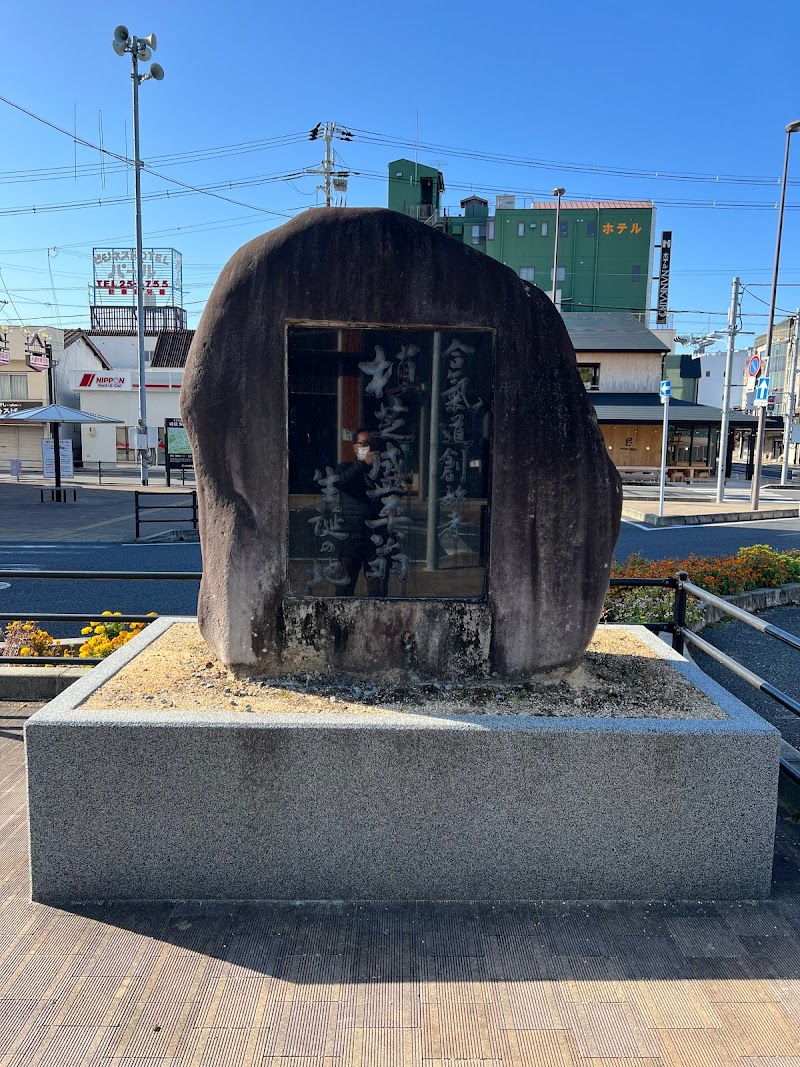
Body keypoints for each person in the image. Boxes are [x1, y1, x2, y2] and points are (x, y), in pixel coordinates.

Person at [334, 429, 388, 596]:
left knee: (377, 592)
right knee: (344, 590)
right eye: (363, 444)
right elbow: (341, 482)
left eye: (371, 445)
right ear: (355, 448)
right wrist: (364, 463)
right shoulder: (346, 467)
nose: (368, 449)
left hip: (376, 540)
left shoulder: (382, 472)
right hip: (351, 538)